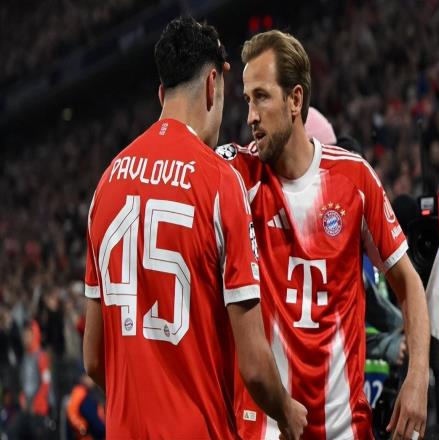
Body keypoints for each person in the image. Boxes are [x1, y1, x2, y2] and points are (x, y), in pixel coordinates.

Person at [83, 17, 307, 439]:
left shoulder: (106, 185)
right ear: (211, 85)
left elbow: (94, 359)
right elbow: (255, 367)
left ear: (161, 94)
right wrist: (285, 411)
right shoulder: (219, 182)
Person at [217, 30, 430, 440]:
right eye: (247, 100)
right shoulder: (236, 177)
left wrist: (417, 378)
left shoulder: (353, 178)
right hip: (265, 429)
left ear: (295, 100)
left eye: (261, 97)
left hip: (344, 427)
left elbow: (408, 283)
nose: (250, 117)